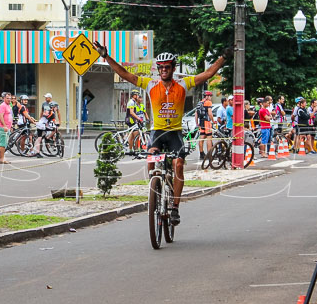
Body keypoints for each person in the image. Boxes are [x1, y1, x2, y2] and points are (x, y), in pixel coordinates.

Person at [93, 43, 228, 226]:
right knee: (150, 159)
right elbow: (125, 74)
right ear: (158, 69)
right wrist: (106, 56)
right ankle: (155, 189)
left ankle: (175, 208)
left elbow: (208, 74)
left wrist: (223, 57)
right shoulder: (150, 84)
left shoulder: (183, 83)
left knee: (178, 164)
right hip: (157, 132)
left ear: (173, 68)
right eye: (161, 67)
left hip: (174, 133)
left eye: (167, 67)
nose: (164, 70)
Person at [0, 92, 13, 164]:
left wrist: (10, 126)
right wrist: (5, 125)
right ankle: (2, 159)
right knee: (2, 143)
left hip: (7, 127)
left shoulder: (9, 106)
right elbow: (0, 116)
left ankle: (3, 158)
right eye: (7, 98)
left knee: (5, 143)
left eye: (10, 98)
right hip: (2, 127)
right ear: (4, 98)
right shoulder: (3, 106)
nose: (9, 100)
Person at [196, 91, 214, 160]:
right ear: (207, 96)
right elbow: (210, 113)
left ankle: (201, 154)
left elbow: (196, 114)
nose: (211, 97)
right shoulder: (208, 102)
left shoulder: (199, 103)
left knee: (202, 137)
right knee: (209, 138)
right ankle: (209, 155)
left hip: (201, 122)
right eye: (210, 96)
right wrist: (213, 121)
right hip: (207, 122)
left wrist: (197, 123)